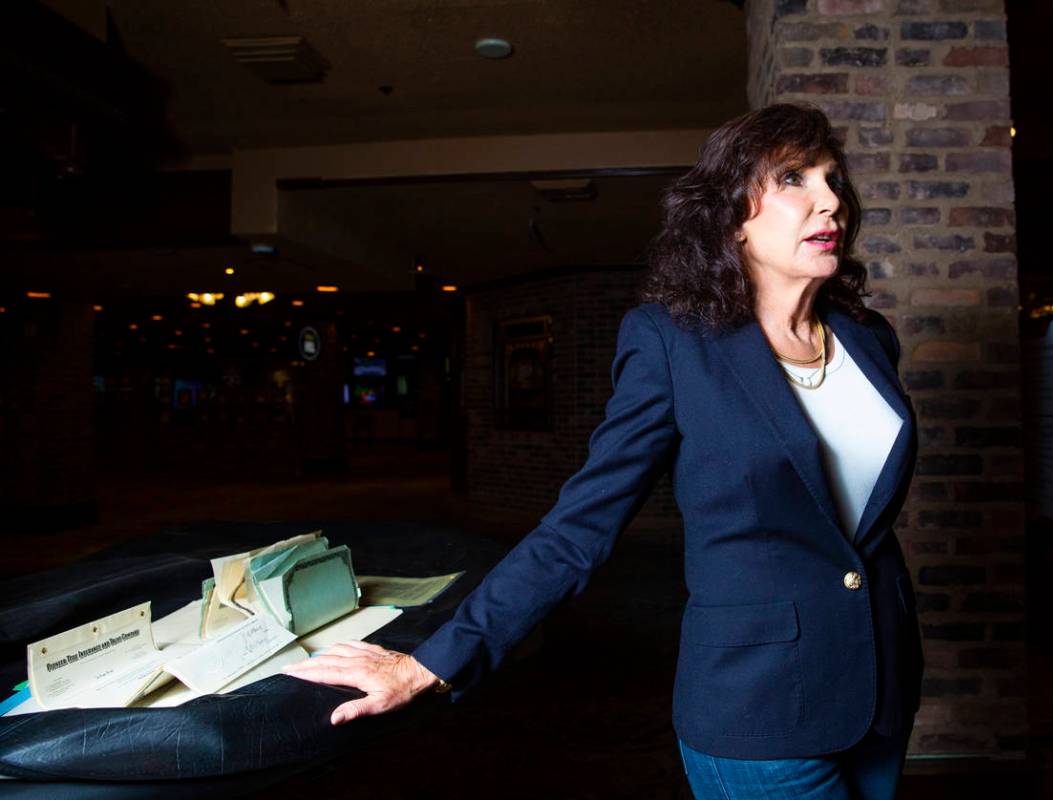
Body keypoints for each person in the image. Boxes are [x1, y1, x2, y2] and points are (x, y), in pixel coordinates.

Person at [283, 103, 924, 800]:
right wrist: (431, 664)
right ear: (731, 216)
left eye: (834, 179)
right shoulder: (673, 343)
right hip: (757, 707)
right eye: (796, 178)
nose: (831, 199)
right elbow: (577, 530)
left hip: (881, 684)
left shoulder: (868, 338)